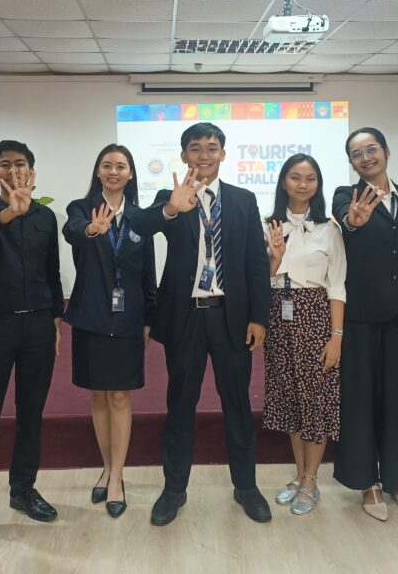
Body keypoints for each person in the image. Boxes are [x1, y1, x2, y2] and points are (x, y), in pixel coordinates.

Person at [130, 122, 273, 526]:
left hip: (231, 317)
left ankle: (246, 486)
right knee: (180, 405)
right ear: (184, 156)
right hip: (186, 318)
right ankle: (174, 489)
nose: (204, 155)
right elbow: (139, 226)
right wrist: (172, 208)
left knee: (238, 404)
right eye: (195, 148)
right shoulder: (171, 196)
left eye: (212, 147)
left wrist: (259, 317)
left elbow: (255, 262)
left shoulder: (243, 200)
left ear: (223, 154)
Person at [0, 140, 65, 555]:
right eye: (5, 165)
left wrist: (55, 319)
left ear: (32, 172)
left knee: (31, 414)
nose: (13, 170)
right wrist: (10, 212)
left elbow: (53, 271)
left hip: (38, 325)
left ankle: (23, 489)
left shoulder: (45, 217)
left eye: (21, 164)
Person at [331, 127, 398, 522]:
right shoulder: (345, 196)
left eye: (371, 149)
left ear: (386, 151)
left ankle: (394, 477)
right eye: (357, 154)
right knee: (359, 399)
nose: (366, 157)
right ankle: (366, 481)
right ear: (352, 163)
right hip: (359, 316)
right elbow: (347, 224)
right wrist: (353, 222)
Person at [62, 144, 157, 519]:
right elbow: (72, 232)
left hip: (129, 317)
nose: (113, 171)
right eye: (107, 165)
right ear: (98, 171)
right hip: (91, 316)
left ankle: (116, 476)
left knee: (120, 396)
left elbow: (148, 272)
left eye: (120, 166)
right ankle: (107, 466)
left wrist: (149, 318)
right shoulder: (80, 208)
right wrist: (92, 229)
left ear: (130, 173)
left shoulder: (140, 217)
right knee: (99, 396)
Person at [262, 154, 346, 516]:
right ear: (283, 181)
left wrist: (336, 336)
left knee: (315, 401)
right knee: (291, 401)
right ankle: (299, 476)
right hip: (279, 317)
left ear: (318, 184)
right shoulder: (268, 226)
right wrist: (275, 257)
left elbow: (337, 286)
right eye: (295, 177)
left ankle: (311, 480)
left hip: (315, 317)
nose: (302, 184)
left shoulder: (329, 229)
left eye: (310, 178)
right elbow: (260, 280)